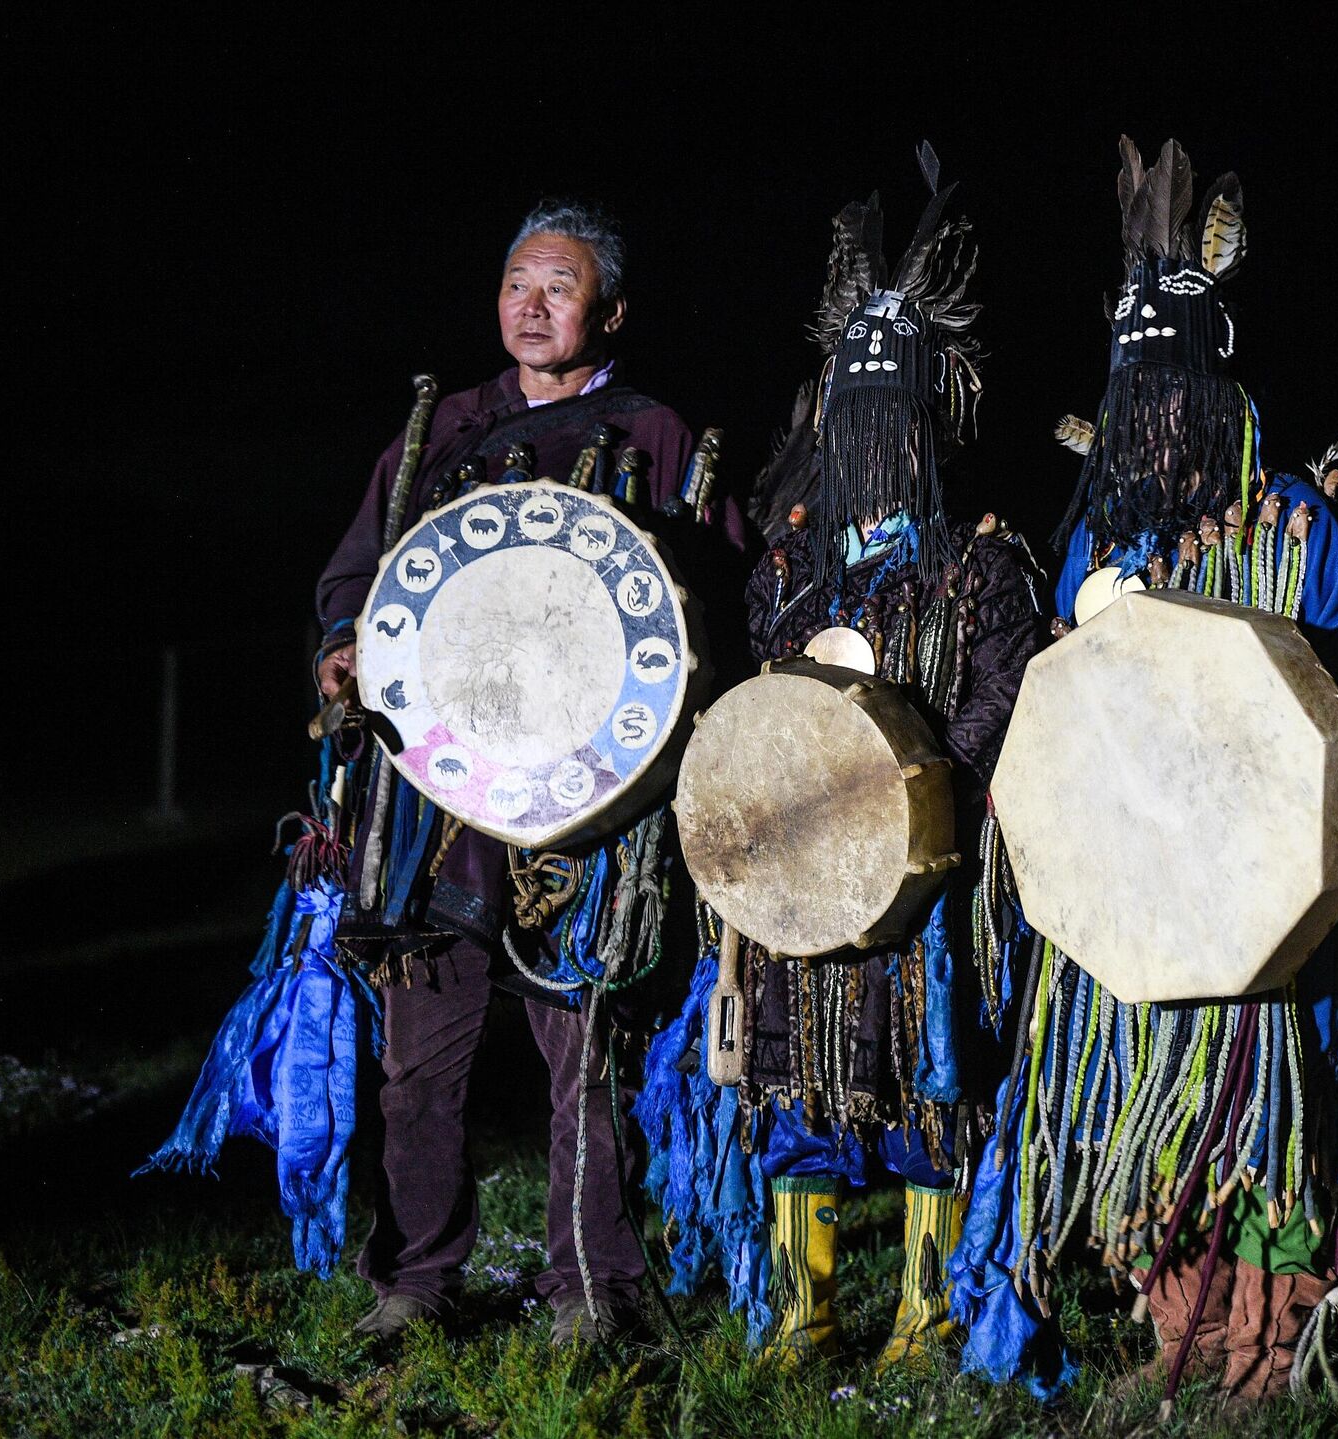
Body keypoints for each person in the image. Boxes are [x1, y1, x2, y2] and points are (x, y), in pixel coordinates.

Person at [951, 137, 1338, 1409]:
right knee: (1147, 1090)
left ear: (1218, 388)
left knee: (1258, 1101)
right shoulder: (1095, 531)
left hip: (1260, 888)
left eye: (1169, 388)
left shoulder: (1295, 521)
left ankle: (1271, 1332)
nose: (1148, 416)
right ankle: (1178, 1323)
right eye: (1128, 390)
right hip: (1136, 875)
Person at [641, 150, 1044, 1372]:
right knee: (797, 1074)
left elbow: (1002, 687)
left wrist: (916, 787)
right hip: (805, 873)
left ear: (932, 413)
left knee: (926, 1084)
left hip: (926, 872)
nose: (871, 434)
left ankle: (924, 1308)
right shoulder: (794, 561)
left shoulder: (982, 560)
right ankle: (802, 1308)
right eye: (852, 410)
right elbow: (767, 697)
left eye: (894, 412)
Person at [315, 200, 740, 1345]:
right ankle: (415, 1281)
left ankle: (591, 1292)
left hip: (591, 810)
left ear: (609, 307)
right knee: (416, 1061)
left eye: (559, 287)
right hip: (437, 804)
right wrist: (344, 645)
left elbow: (713, 601)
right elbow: (359, 575)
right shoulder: (440, 429)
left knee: (585, 1060)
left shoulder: (657, 434)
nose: (531, 306)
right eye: (517, 284)